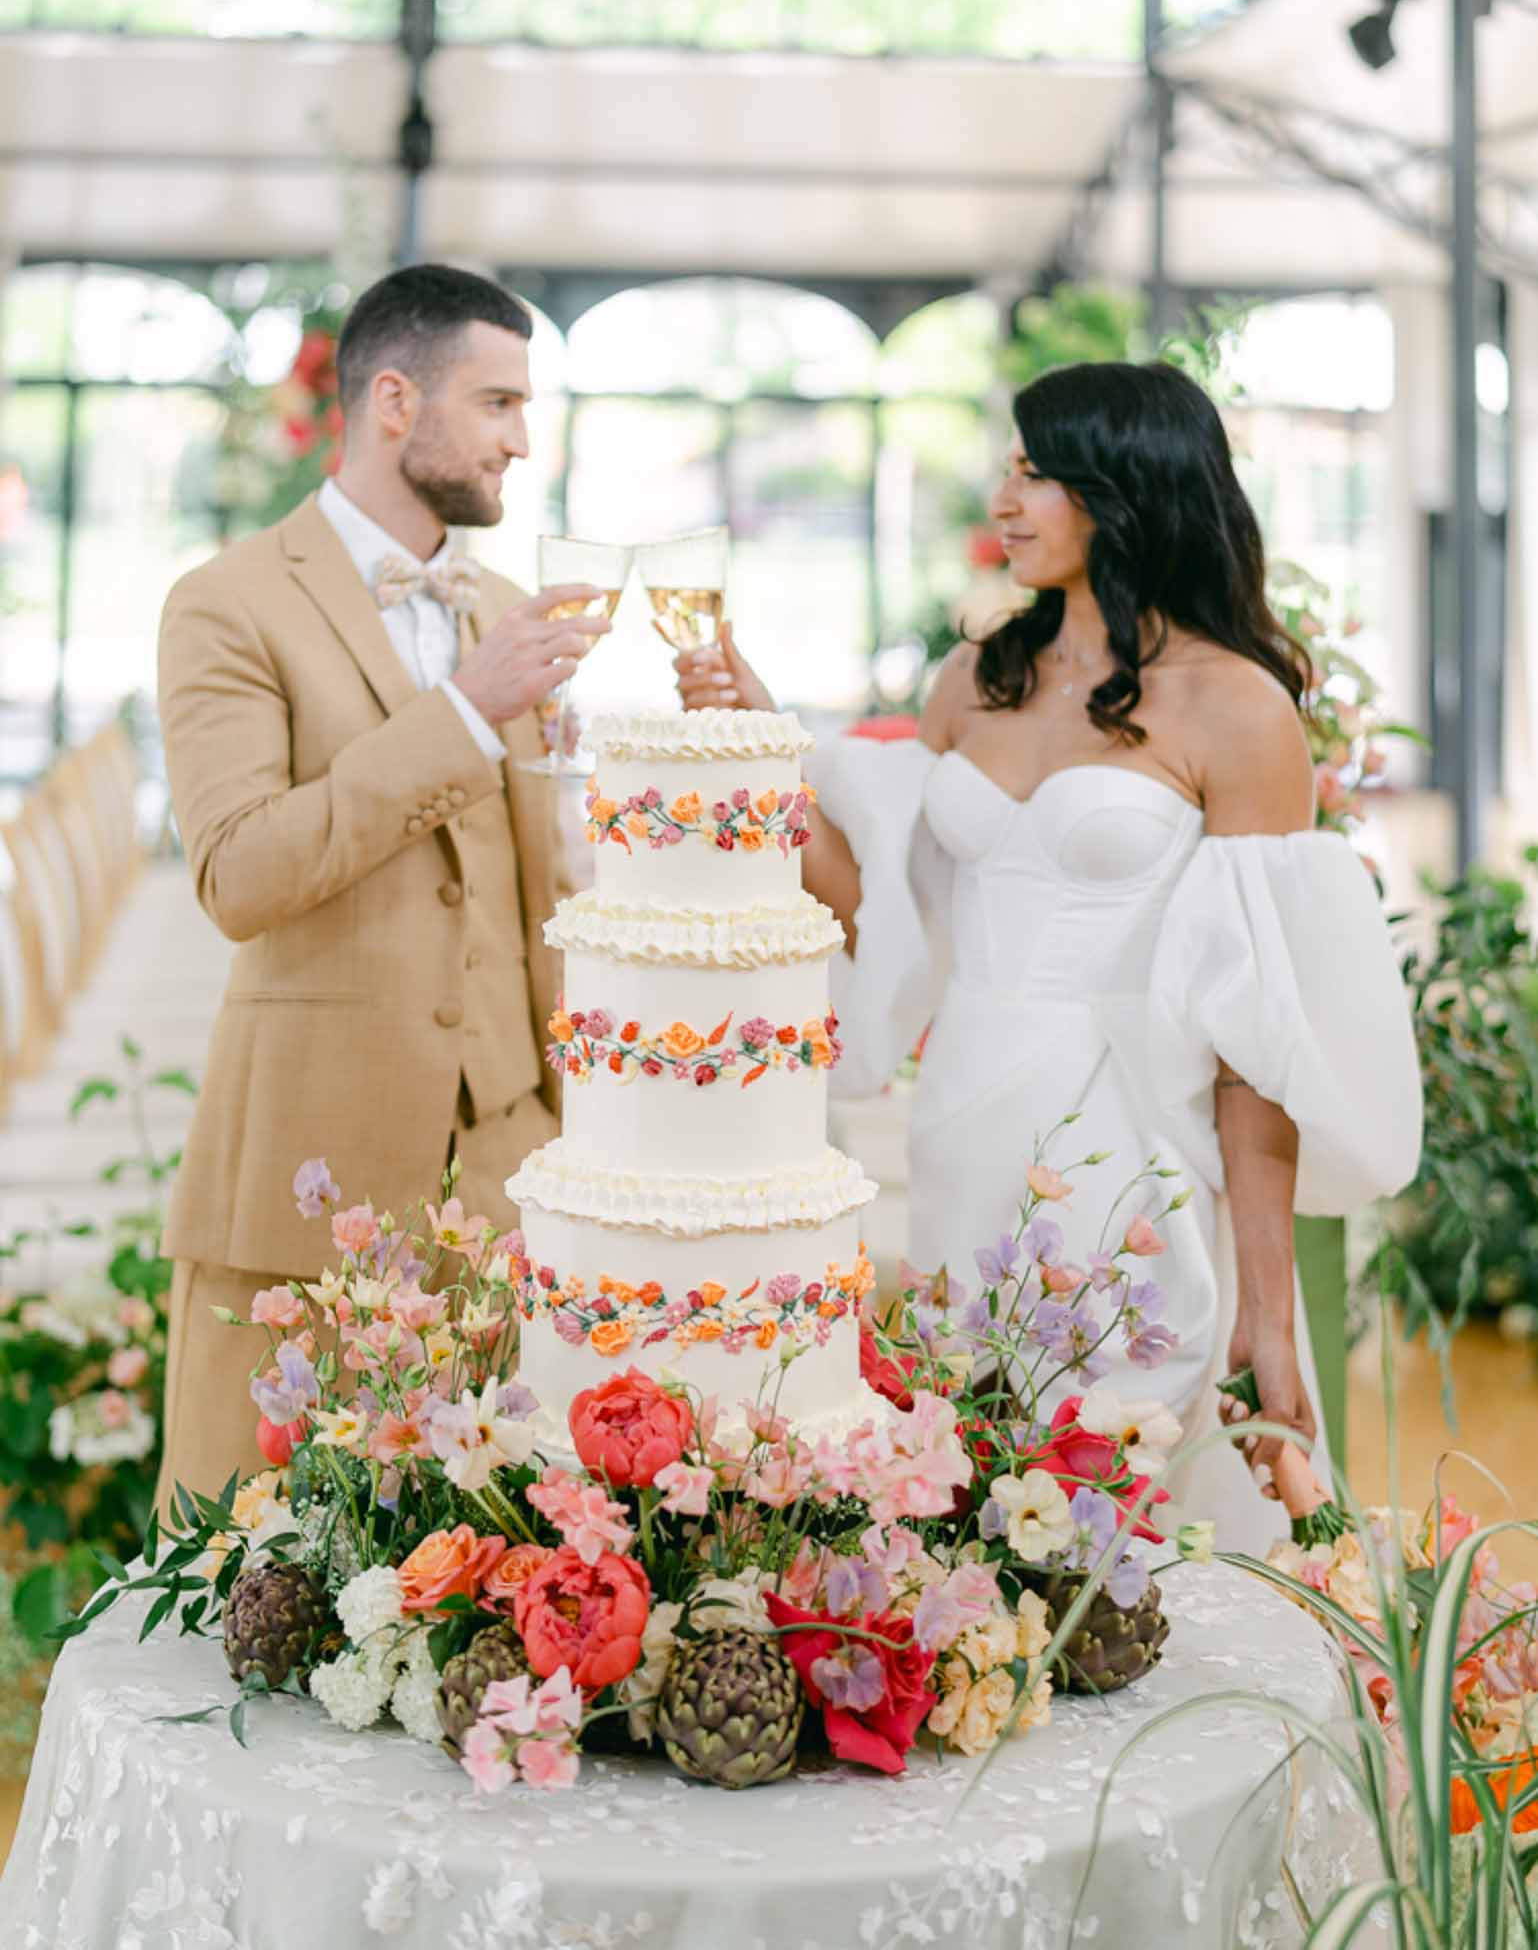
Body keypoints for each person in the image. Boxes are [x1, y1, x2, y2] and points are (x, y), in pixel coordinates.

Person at [676, 360, 1422, 1551]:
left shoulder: (1234, 707)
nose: (1003, 497)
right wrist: (756, 746)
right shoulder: (973, 678)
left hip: (1131, 1144)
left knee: (1121, 1501)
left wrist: (1269, 1313)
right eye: (1006, 468)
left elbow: (1255, 1037)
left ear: (1121, 488)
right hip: (963, 1123)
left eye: (1033, 470)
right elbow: (876, 908)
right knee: (971, 1491)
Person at [154, 264, 610, 1508]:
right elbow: (239, 870)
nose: (523, 438)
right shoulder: (226, 604)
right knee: (254, 1562)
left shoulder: (503, 608)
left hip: (511, 1176)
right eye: (499, 401)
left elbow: (537, 887)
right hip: (315, 1160)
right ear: (396, 401)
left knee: (480, 1572)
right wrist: (467, 712)